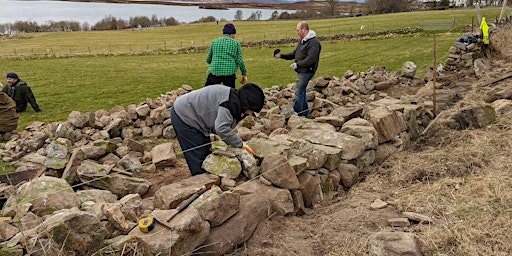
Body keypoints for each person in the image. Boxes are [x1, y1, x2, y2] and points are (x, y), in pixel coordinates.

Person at [170, 83, 264, 176]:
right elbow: (221, 128)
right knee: (198, 156)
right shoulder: (229, 104)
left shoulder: (235, 98)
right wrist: (240, 144)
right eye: (251, 111)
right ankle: (201, 183)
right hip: (184, 115)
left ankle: (206, 178)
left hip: (193, 114)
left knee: (205, 149)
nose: (250, 114)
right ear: (247, 104)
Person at [274, 21, 321, 118]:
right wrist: (281, 56)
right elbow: (294, 53)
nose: (297, 32)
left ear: (304, 30)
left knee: (299, 92)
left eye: (298, 30)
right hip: (302, 70)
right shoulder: (303, 41)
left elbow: (311, 58)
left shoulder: (314, 43)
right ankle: (305, 113)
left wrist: (298, 64)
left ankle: (297, 114)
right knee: (301, 91)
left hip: (307, 71)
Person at [205, 23, 248, 88]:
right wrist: (244, 74)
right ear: (232, 33)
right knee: (230, 94)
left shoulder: (214, 42)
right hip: (229, 74)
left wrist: (216, 63)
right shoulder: (236, 43)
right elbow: (240, 60)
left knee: (207, 93)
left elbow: (208, 59)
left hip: (214, 72)